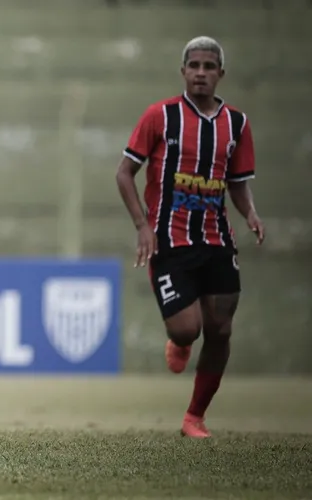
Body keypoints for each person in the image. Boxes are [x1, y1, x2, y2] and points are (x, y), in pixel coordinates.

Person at [115, 36, 265, 439]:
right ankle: (179, 342)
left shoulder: (237, 124)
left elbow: (237, 182)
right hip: (169, 241)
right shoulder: (160, 116)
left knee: (221, 330)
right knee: (187, 330)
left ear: (220, 73)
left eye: (209, 66)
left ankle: (194, 417)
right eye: (194, 65)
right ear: (183, 71)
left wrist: (250, 212)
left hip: (217, 240)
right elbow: (124, 173)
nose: (201, 73)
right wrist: (142, 225)